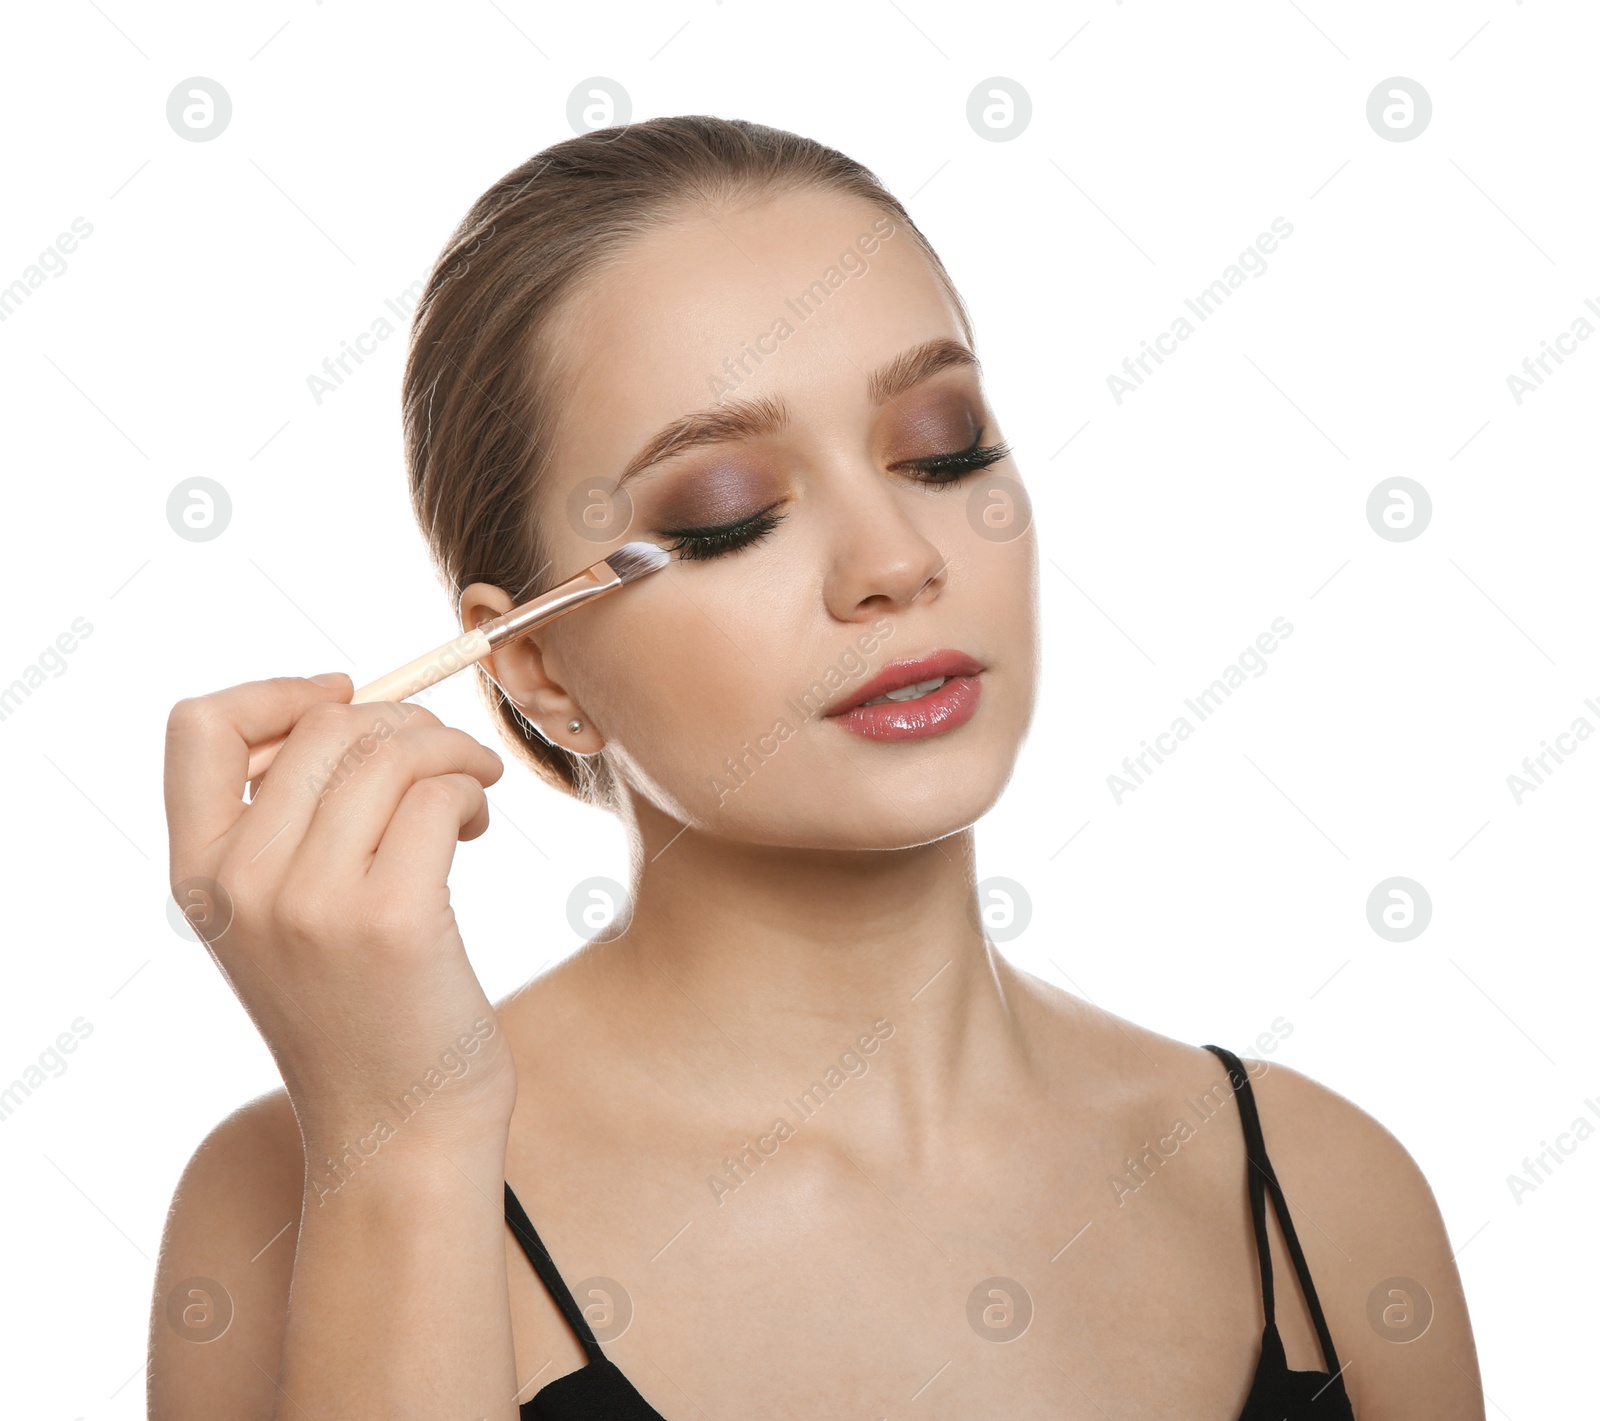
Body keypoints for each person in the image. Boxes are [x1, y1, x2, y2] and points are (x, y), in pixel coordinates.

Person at [153, 116, 1483, 1419]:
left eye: (943, 446)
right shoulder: (281, 1198)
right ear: (538, 666)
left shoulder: (1324, 1193)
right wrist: (406, 1148)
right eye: (730, 514)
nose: (897, 560)